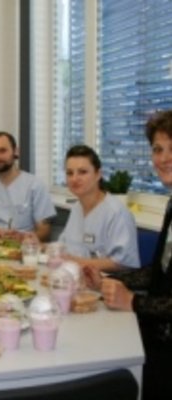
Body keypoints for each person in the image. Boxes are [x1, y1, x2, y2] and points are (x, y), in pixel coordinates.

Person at [84, 110, 172, 400]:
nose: (163, 158)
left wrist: (132, 301)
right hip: (155, 338)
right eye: (158, 149)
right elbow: (157, 273)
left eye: (171, 149)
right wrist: (107, 279)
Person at [0, 131, 56, 241]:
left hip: (25, 247)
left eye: (2, 151)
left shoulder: (35, 186)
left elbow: (44, 231)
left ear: (15, 152)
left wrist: (23, 238)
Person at [59, 144, 140, 270]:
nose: (74, 179)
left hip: (105, 280)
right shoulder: (76, 208)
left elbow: (123, 263)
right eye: (69, 173)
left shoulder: (116, 213)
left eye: (82, 172)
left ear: (98, 174)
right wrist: (40, 246)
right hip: (72, 275)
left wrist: (77, 262)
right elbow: (63, 246)